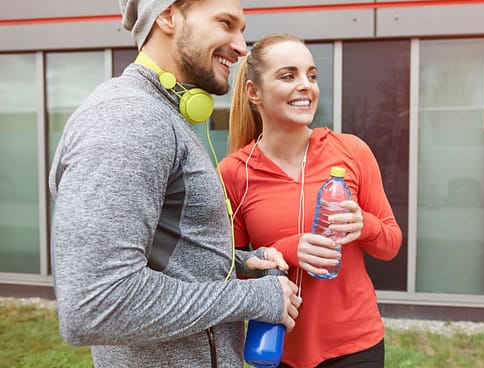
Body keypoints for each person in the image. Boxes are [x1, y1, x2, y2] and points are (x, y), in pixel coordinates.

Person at [48, 1, 301, 367]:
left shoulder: (165, 113)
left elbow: (162, 254)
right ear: (166, 15)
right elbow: (96, 304)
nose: (242, 46)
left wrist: (241, 264)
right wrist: (254, 298)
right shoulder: (128, 118)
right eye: (226, 24)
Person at [220, 33, 403, 367]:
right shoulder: (234, 173)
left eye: (311, 75)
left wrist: (365, 224)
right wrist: (289, 249)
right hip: (276, 347)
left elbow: (390, 245)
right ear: (253, 92)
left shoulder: (352, 152)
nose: (305, 85)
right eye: (288, 75)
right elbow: (228, 268)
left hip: (356, 347)